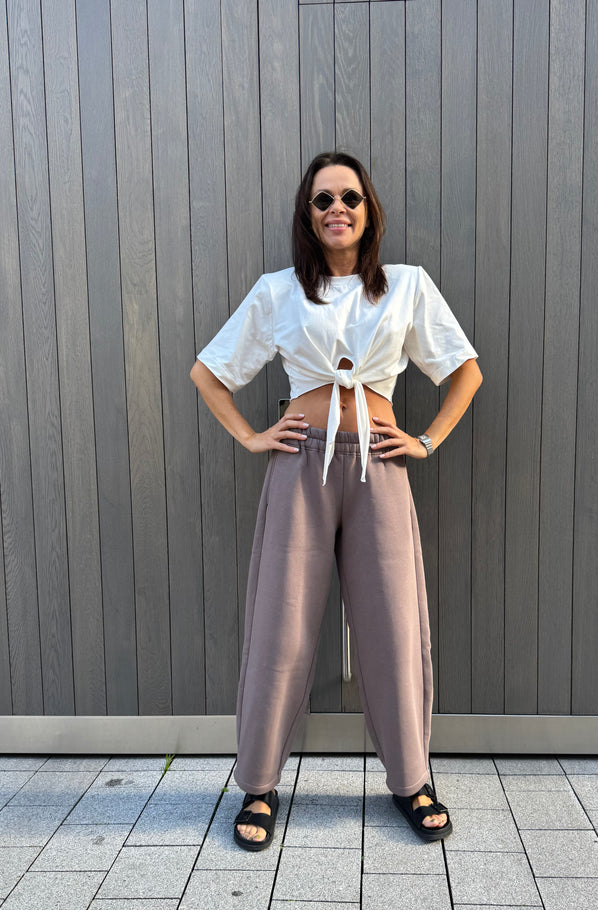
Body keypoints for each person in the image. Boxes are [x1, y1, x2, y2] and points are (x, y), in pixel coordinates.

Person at [190, 152, 482, 851]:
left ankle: (412, 780)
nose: (337, 209)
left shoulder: (406, 286)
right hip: (301, 467)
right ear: (308, 214)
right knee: (281, 622)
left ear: (368, 208)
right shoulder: (279, 291)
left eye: (349, 196)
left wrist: (427, 439)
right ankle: (258, 783)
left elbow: (465, 370)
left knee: (394, 623)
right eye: (323, 200)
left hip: (381, 463)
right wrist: (253, 437)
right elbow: (209, 373)